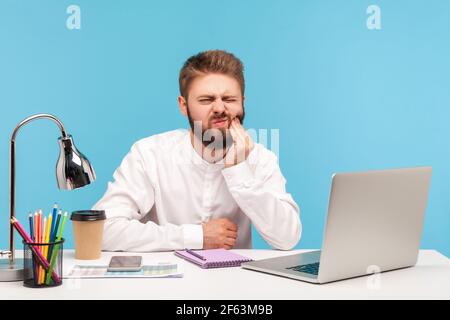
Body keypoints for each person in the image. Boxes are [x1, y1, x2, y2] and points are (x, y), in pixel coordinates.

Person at [93, 50, 301, 251]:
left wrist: (239, 171)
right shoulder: (149, 154)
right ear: (184, 106)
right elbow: (100, 230)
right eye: (206, 100)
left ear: (242, 104)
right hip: (166, 283)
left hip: (234, 283)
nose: (220, 108)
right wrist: (197, 236)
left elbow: (287, 238)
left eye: (229, 99)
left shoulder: (261, 159)